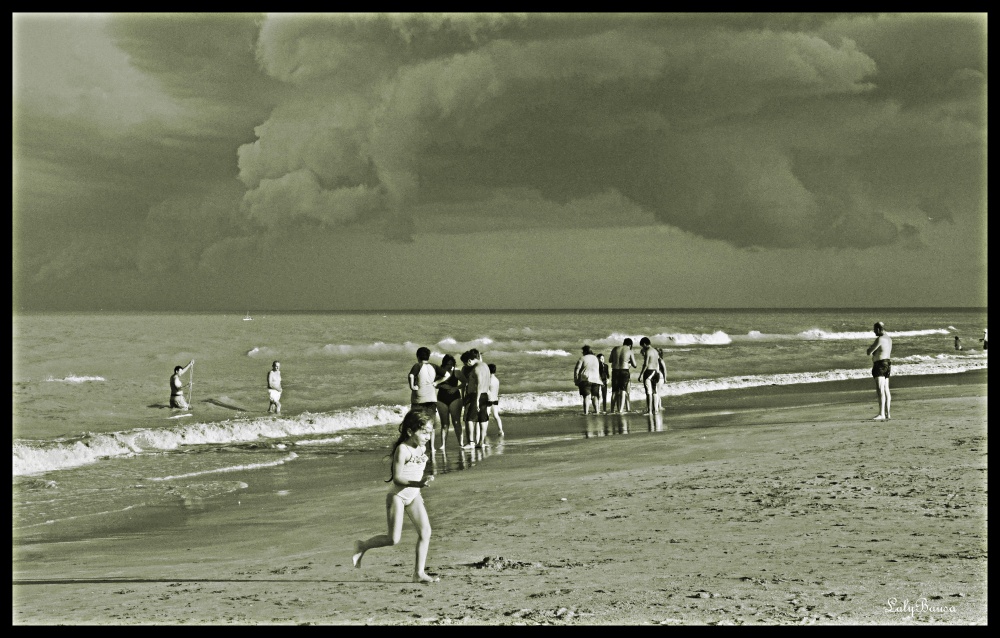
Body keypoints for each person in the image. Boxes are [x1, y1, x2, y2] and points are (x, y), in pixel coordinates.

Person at [352, 410, 439, 583]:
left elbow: (416, 470)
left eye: (430, 432)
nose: (428, 436)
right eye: (424, 432)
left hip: (414, 495)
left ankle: (418, 573)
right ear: (410, 432)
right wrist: (418, 483)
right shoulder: (402, 450)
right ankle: (362, 545)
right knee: (393, 539)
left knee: (426, 532)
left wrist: (424, 479)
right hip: (397, 497)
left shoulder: (422, 446)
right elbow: (398, 478)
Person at [408, 347, 448, 451]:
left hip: (419, 399)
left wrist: (412, 386)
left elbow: (411, 375)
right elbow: (447, 374)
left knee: (416, 423)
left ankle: (419, 447)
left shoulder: (418, 365)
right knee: (430, 424)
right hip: (431, 399)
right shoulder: (433, 366)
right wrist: (436, 382)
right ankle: (432, 448)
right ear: (428, 356)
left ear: (418, 356)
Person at [461, 349, 492, 448]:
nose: (466, 365)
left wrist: (477, 400)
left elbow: (478, 385)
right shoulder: (485, 366)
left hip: (476, 395)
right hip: (485, 395)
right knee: (482, 418)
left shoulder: (476, 368)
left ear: (469, 360)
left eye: (466, 363)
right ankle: (481, 442)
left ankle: (471, 442)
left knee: (469, 418)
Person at [866, 321, 893, 421]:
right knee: (886, 389)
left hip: (880, 365)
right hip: (887, 363)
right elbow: (883, 350)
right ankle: (888, 413)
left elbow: (869, 352)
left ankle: (881, 413)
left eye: (874, 330)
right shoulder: (889, 339)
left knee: (880, 389)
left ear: (878, 329)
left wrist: (871, 350)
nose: (874, 332)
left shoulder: (880, 339)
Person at [435, 354, 463, 451]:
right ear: (444, 364)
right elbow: (433, 384)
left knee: (456, 422)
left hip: (454, 398)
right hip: (441, 399)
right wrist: (441, 386)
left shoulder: (456, 372)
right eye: (448, 364)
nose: (450, 366)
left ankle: (461, 443)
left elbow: (465, 382)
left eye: (452, 364)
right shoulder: (439, 372)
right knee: (444, 424)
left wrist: (456, 388)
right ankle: (443, 445)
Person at [609, 338, 637, 413]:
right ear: (630, 345)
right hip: (624, 371)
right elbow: (635, 365)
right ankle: (621, 410)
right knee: (623, 390)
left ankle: (612, 410)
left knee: (614, 391)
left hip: (615, 371)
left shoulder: (615, 349)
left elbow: (610, 360)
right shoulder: (629, 351)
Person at [573, 345, 603, 415]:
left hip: (586, 379)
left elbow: (577, 369)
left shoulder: (582, 358)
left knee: (586, 396)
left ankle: (586, 413)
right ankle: (597, 411)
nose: (582, 353)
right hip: (596, 379)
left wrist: (576, 379)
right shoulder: (596, 358)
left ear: (585, 351)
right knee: (595, 396)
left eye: (583, 351)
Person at [637, 337, 662, 415]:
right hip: (656, 372)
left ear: (644, 344)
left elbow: (645, 364)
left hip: (649, 372)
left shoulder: (648, 351)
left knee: (648, 392)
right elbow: (657, 363)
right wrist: (657, 372)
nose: (643, 348)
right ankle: (655, 410)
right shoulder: (655, 351)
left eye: (642, 346)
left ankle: (650, 411)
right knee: (654, 391)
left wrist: (640, 375)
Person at [486, 363, 505, 437]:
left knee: (486, 416)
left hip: (489, 400)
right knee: (496, 416)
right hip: (495, 399)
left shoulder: (488, 380)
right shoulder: (497, 380)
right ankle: (501, 430)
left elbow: (487, 390)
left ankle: (484, 432)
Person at [654, 348, 667, 413]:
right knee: (657, 392)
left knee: (657, 392)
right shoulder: (655, 360)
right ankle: (659, 406)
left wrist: (665, 378)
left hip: (660, 377)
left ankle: (658, 407)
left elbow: (664, 370)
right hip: (657, 377)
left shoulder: (661, 360)